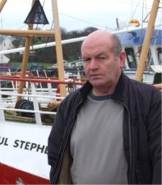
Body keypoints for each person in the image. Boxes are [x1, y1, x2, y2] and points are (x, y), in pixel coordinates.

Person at [47, 30, 161, 184]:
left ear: (120, 59)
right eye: (87, 59)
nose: (93, 66)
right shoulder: (69, 105)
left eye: (101, 58)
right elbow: (56, 158)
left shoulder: (150, 101)